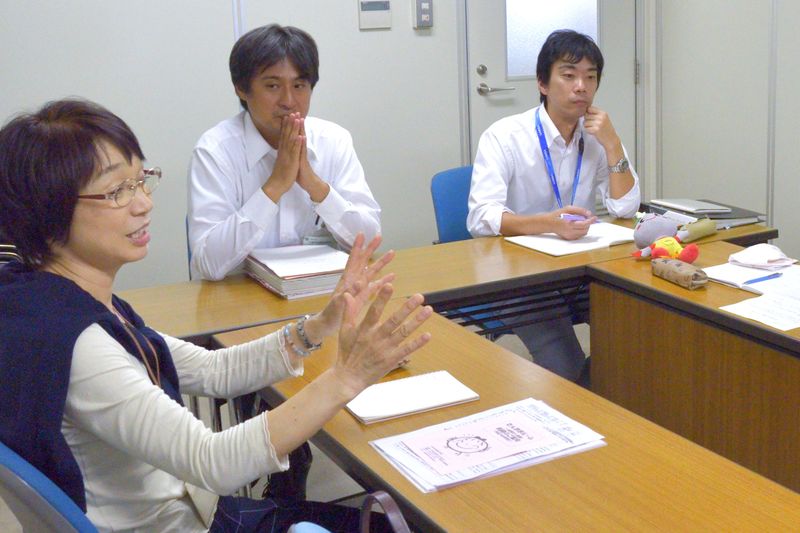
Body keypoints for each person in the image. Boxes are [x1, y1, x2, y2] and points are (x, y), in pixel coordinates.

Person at [0, 99, 432, 533]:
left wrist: (320, 324)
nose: (143, 204)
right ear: (48, 211)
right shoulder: (78, 342)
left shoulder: (58, 298)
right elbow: (215, 461)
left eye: (141, 180)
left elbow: (210, 367)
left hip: (197, 509)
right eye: (117, 191)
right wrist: (347, 378)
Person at [467, 29, 640, 383]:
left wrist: (613, 144)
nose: (581, 87)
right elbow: (481, 217)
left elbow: (625, 207)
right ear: (543, 83)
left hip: (579, 270)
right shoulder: (504, 136)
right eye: (569, 75)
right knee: (567, 367)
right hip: (519, 277)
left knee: (641, 334)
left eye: (590, 77)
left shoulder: (595, 136)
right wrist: (548, 223)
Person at [188, 24, 381, 281]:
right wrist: (275, 186)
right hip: (241, 301)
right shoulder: (215, 151)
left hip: (322, 294)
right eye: (273, 86)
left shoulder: (333, 141)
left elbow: (369, 241)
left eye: (299, 86)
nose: (289, 101)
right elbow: (207, 263)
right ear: (242, 89)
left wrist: (314, 186)